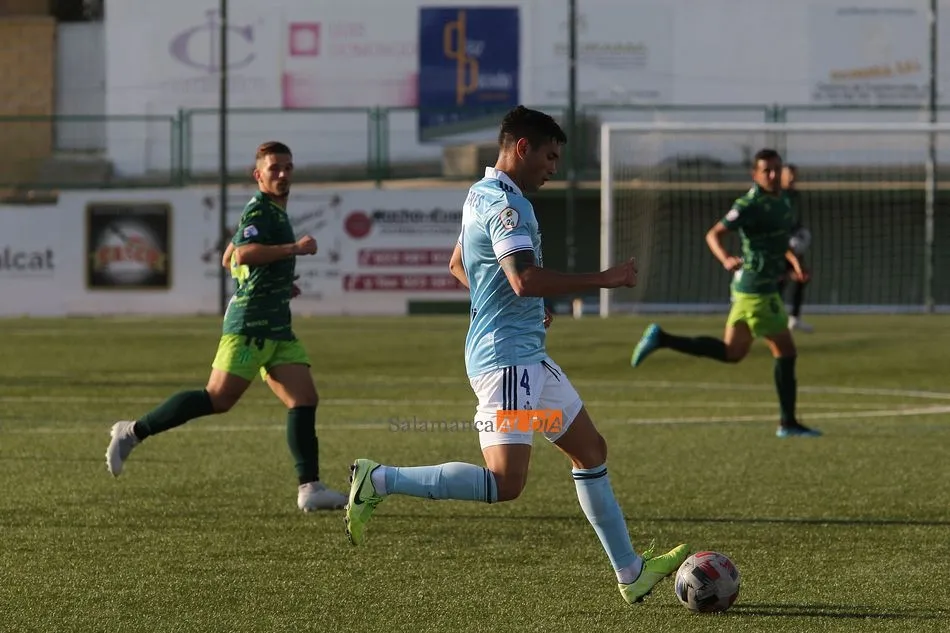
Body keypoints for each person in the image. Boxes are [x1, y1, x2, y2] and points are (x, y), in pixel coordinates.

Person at [343, 106, 690, 606]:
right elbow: (523, 278)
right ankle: (379, 479)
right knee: (506, 482)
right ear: (522, 148)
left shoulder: (479, 193)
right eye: (550, 157)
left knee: (591, 450)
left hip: (529, 360)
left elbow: (459, 265)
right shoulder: (508, 204)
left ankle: (630, 572)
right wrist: (603, 279)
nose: (554, 168)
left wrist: (520, 304)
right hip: (507, 363)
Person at [104, 141, 348, 512]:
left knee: (304, 399)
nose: (283, 174)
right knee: (218, 399)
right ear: (258, 174)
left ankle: (310, 488)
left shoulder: (273, 212)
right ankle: (133, 431)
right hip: (251, 324)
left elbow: (228, 257)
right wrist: (293, 250)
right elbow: (244, 253)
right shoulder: (260, 209)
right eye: (274, 168)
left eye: (287, 167)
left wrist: (279, 282)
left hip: (276, 325)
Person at [630, 148, 822, 439]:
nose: (773, 175)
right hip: (757, 289)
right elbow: (714, 234)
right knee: (786, 351)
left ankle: (662, 338)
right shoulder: (749, 204)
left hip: (753, 290)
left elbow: (780, 240)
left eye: (776, 169)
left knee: (733, 352)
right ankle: (788, 423)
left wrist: (796, 264)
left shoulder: (783, 200)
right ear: (755, 174)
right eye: (767, 170)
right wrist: (726, 259)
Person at [777, 164, 814, 333]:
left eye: (794, 174)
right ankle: (773, 315)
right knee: (780, 280)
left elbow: (794, 218)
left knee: (801, 276)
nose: (792, 178)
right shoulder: (777, 195)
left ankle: (794, 318)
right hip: (780, 244)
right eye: (788, 174)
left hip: (792, 243)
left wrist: (799, 232)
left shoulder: (795, 195)